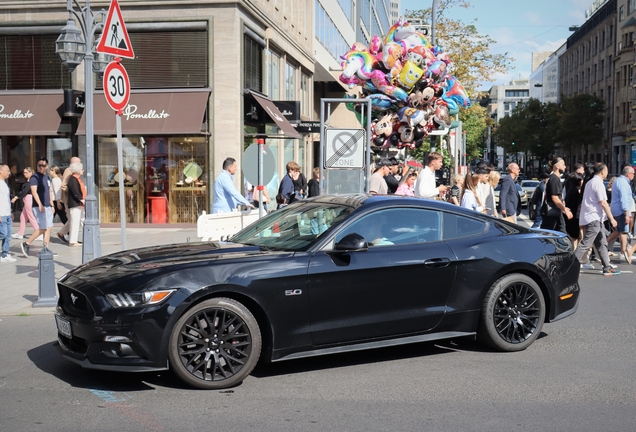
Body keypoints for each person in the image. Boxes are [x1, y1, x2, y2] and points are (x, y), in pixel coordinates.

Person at [574, 163, 619, 276]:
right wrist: (611, 218)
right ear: (602, 171)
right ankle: (570, 265)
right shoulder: (597, 183)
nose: (607, 173)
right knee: (586, 243)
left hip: (594, 218)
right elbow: (603, 202)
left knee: (601, 243)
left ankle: (606, 266)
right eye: (607, 170)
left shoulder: (590, 182)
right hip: (593, 218)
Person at [20, 157, 56, 258]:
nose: (41, 167)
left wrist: (51, 204)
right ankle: (27, 243)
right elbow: (34, 191)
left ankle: (46, 249)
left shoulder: (47, 177)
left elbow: (49, 192)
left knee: (48, 228)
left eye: (43, 165)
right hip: (39, 206)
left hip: (47, 206)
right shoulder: (35, 177)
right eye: (39, 165)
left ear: (47, 166)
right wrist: (39, 204)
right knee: (43, 228)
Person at [606, 165, 635, 264]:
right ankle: (624, 252)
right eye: (633, 174)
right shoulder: (623, 183)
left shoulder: (618, 181)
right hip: (621, 210)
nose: (634, 176)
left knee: (618, 230)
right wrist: (627, 213)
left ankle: (604, 244)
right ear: (628, 174)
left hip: (617, 210)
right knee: (623, 231)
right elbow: (624, 199)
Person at [541, 156, 573, 232]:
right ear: (557, 166)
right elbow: (554, 197)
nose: (565, 167)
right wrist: (564, 209)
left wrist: (563, 207)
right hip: (552, 213)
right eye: (563, 164)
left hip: (556, 212)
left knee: (557, 235)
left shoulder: (555, 178)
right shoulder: (554, 179)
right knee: (550, 235)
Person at [57, 156, 81, 244]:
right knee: (73, 219)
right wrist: (72, 192)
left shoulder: (72, 170)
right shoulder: (69, 170)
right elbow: (64, 185)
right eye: (79, 163)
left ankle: (63, 233)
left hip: (70, 199)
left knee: (72, 219)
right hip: (68, 199)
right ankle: (67, 236)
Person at [11, 167, 39, 240]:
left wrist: (16, 197)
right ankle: (20, 233)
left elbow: (25, 191)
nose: (24, 174)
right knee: (23, 217)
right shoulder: (29, 181)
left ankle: (38, 232)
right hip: (26, 200)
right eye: (24, 172)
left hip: (29, 200)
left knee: (31, 217)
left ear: (31, 172)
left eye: (26, 172)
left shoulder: (32, 181)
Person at [66, 162, 86, 247]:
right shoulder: (73, 179)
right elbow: (75, 192)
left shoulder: (77, 179)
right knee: (75, 222)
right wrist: (81, 199)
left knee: (82, 220)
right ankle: (73, 241)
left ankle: (86, 237)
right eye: (81, 169)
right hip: (75, 204)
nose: (83, 171)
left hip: (79, 204)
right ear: (77, 170)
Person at [0, 164, 17, 263]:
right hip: (1, 213)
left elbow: (6, 200)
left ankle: (5, 254)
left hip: (7, 213)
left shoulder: (5, 184)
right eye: (7, 170)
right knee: (3, 233)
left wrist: (10, 211)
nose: (9, 173)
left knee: (8, 235)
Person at [564, 172, 584, 250]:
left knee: (576, 237)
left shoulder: (572, 189)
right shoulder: (575, 191)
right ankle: (574, 254)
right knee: (574, 238)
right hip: (574, 218)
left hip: (573, 217)